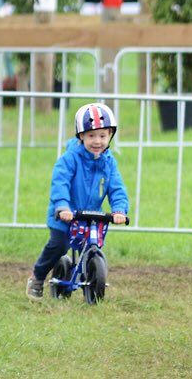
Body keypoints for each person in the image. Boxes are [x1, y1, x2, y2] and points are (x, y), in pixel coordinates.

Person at [26, 102, 129, 301]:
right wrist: (62, 206)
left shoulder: (109, 163)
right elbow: (60, 183)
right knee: (59, 246)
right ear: (81, 136)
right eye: (91, 135)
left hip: (90, 216)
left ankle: (90, 279)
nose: (97, 141)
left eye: (102, 135)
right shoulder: (70, 158)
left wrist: (119, 210)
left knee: (91, 246)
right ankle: (37, 277)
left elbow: (117, 189)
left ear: (110, 136)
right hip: (64, 214)